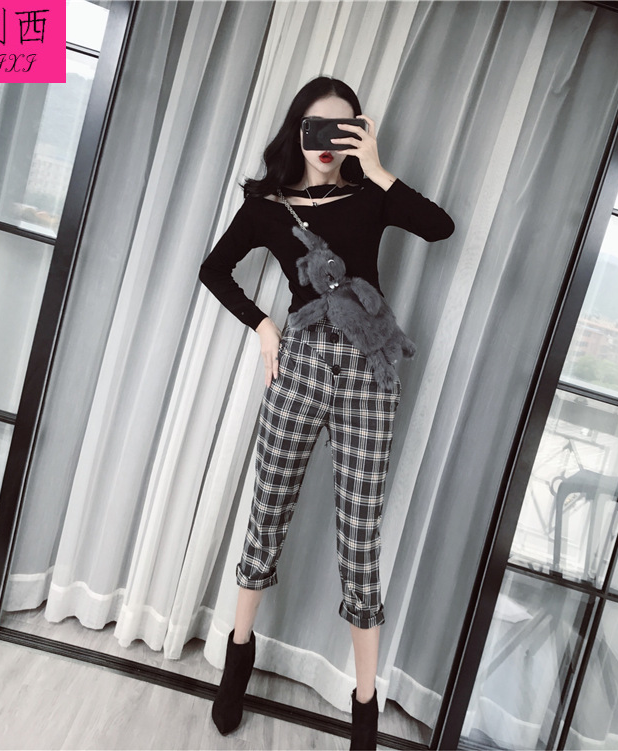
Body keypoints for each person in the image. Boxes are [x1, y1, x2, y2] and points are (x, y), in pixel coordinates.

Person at [199, 76, 454, 750]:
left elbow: (440, 226)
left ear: (357, 135)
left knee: (360, 538)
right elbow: (214, 269)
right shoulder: (266, 207)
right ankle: (238, 655)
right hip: (301, 361)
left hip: (370, 370)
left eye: (343, 129)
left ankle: (364, 702)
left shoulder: (371, 196)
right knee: (267, 511)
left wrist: (377, 166)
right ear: (297, 128)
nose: (326, 142)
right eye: (316, 127)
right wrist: (262, 326)